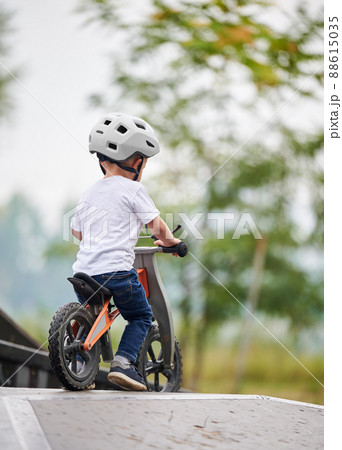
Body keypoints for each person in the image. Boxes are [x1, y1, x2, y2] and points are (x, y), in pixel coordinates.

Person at [70, 112, 180, 391]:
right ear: (137, 161)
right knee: (141, 316)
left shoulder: (89, 193)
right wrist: (171, 244)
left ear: (101, 160)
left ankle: (81, 367)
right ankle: (124, 363)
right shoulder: (133, 189)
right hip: (116, 274)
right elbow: (156, 226)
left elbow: (77, 233)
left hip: (83, 274)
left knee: (92, 315)